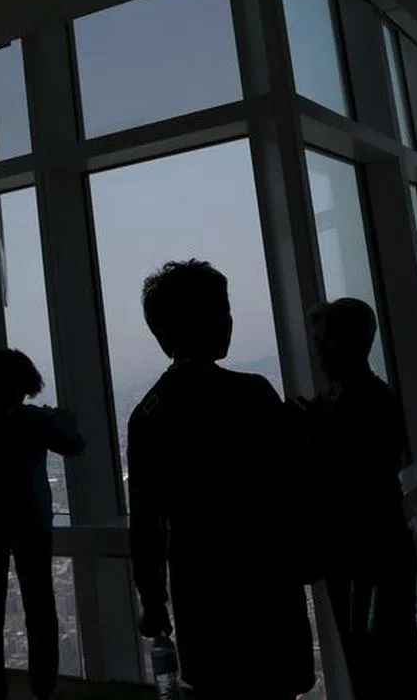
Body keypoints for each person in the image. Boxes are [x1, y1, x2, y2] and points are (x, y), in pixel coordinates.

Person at [127, 259, 316, 698]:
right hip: (268, 582)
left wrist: (153, 602)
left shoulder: (149, 415)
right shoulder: (253, 394)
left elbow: (146, 524)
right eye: (223, 311)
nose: (231, 321)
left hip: (202, 592)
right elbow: (291, 485)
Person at [296, 298, 417, 699]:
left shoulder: (357, 403)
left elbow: (355, 475)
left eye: (324, 342)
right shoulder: (370, 397)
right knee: (389, 659)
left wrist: (314, 435)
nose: (317, 352)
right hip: (373, 551)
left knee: (376, 663)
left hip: (364, 555)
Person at [0, 349, 86, 700]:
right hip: (29, 523)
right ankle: (43, 689)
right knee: (40, 611)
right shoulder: (32, 421)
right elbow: (75, 446)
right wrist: (61, 418)